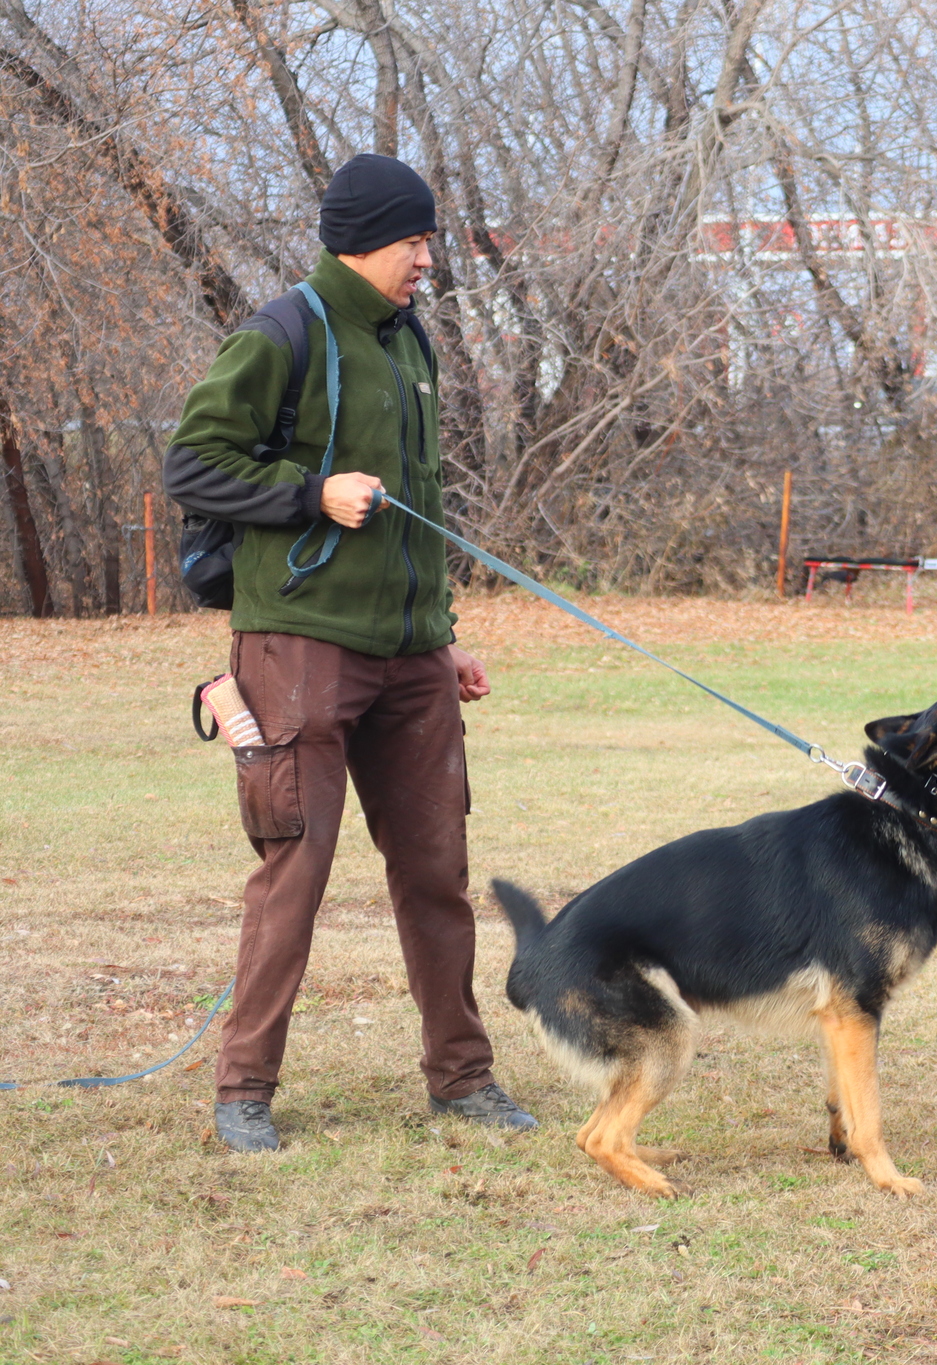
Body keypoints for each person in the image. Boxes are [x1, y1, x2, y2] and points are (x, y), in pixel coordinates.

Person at [164, 154, 536, 1152]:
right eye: (415, 241)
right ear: (367, 237)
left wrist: (441, 634)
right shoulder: (282, 331)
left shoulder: (410, 339)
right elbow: (193, 463)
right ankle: (243, 1090)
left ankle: (461, 1079)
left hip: (411, 658)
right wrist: (308, 493)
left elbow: (422, 507)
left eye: (428, 240)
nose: (428, 259)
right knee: (297, 870)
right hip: (299, 649)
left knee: (436, 873)